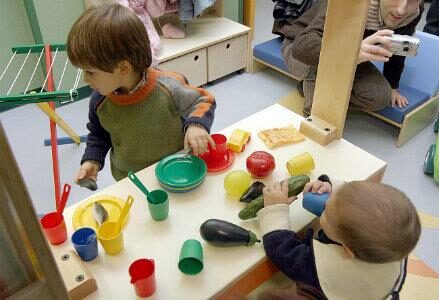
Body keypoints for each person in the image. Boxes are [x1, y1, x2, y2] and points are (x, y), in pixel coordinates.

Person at [67, 3, 216, 182]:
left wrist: (196, 126)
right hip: (131, 180)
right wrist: (92, 160)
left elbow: (203, 100)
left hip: (176, 170)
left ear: (123, 67)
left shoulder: (167, 85)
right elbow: (99, 134)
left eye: (90, 72)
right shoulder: (99, 100)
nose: (86, 80)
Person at [257, 176, 421, 299]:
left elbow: (281, 249)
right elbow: (359, 204)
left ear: (347, 251)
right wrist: (329, 187)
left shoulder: (319, 271)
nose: (325, 203)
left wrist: (275, 210)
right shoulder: (392, 242)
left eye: (327, 212)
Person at [275, 0, 424, 116]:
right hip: (302, 47)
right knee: (324, 69)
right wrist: (348, 55)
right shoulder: (349, 2)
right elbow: (302, 47)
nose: (401, 10)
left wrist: (392, 85)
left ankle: (310, 87)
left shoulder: (414, 11)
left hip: (350, 52)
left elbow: (396, 44)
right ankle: (314, 120)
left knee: (380, 97)